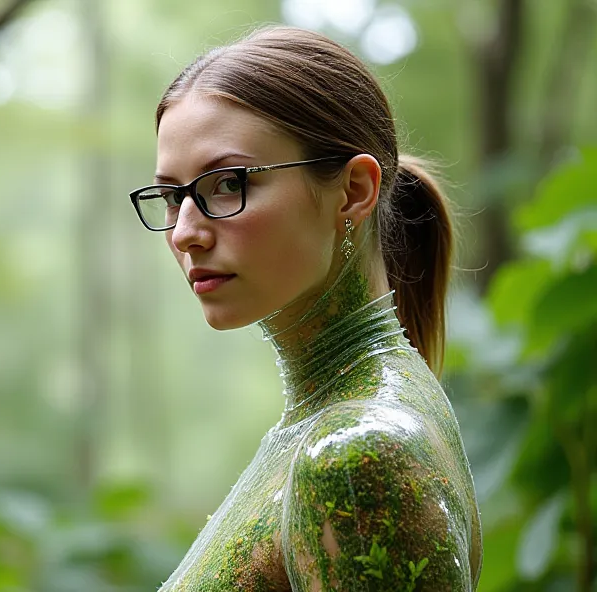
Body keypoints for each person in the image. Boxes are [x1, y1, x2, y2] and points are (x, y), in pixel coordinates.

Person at [128, 25, 483, 591]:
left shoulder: (357, 455)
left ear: (354, 191)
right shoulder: (327, 426)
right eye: (173, 196)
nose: (185, 233)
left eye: (226, 183)